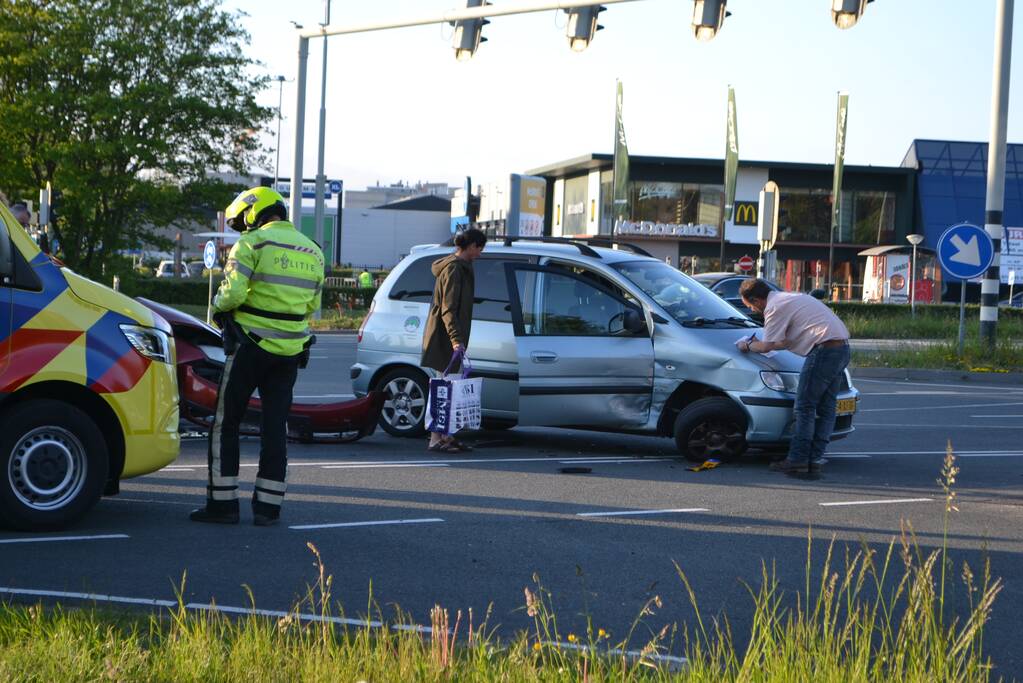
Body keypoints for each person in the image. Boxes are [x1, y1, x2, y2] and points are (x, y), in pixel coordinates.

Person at [190, 187, 325, 526]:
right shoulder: (314, 251)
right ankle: (267, 508)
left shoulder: (251, 244)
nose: (243, 227)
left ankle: (223, 505)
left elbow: (233, 292)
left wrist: (217, 307)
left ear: (254, 211)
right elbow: (311, 306)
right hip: (290, 352)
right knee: (275, 427)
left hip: (250, 345)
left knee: (226, 424)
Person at [738, 278, 850, 476]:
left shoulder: (773, 307)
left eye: (750, 306)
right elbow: (785, 341)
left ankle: (797, 460)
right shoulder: (788, 298)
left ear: (756, 300)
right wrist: (765, 343)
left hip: (823, 351)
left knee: (805, 407)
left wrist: (746, 345)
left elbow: (767, 346)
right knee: (826, 407)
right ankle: (814, 459)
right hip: (841, 348)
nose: (754, 311)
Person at [420, 227, 487, 453]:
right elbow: (449, 309)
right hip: (446, 339)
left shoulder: (459, 266)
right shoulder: (454, 270)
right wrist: (456, 340)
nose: (480, 253)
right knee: (445, 389)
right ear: (470, 246)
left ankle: (444, 436)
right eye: (479, 248)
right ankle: (436, 438)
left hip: (447, 338)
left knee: (447, 388)